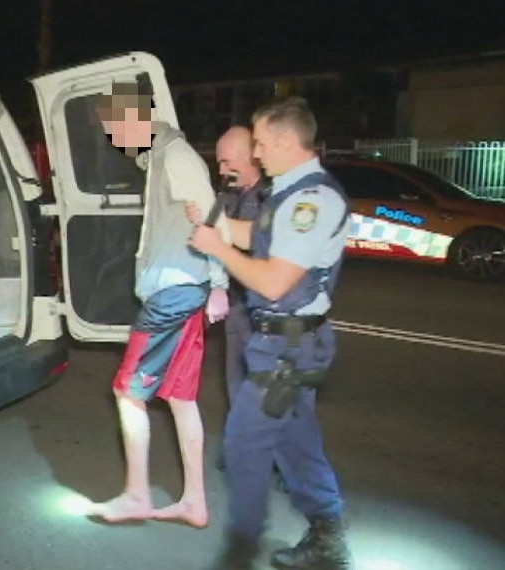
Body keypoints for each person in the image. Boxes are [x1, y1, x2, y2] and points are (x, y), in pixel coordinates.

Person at [187, 96, 353, 569]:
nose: (255, 154)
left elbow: (275, 280)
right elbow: (255, 235)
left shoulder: (309, 201)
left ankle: (238, 554)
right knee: (294, 443)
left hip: (287, 347)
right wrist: (211, 221)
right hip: (286, 342)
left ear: (284, 140)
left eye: (259, 144)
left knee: (243, 445)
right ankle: (329, 535)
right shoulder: (288, 193)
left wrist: (216, 248)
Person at [88, 81, 230, 529]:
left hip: (174, 291)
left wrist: (220, 282)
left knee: (128, 393)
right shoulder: (159, 157)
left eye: (114, 127)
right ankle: (194, 503)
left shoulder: (176, 156)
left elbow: (211, 213)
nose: (112, 137)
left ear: (136, 118)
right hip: (182, 288)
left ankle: (136, 495)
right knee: (180, 397)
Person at [211, 126, 270, 472]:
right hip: (236, 306)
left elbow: (256, 244)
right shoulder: (227, 195)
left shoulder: (271, 197)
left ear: (249, 158)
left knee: (266, 390)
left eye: (225, 162)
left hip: (265, 310)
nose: (220, 170)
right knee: (236, 383)